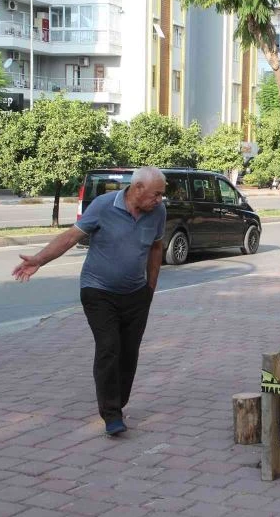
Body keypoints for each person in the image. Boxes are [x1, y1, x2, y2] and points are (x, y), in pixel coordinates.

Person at [12, 167, 167, 436]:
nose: (159, 200)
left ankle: (118, 402)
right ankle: (112, 414)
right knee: (109, 347)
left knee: (129, 352)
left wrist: (150, 288)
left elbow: (156, 247)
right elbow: (70, 237)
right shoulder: (103, 206)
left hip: (135, 294)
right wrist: (39, 260)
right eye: (156, 194)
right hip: (98, 291)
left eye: (161, 195)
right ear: (138, 188)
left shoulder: (158, 212)